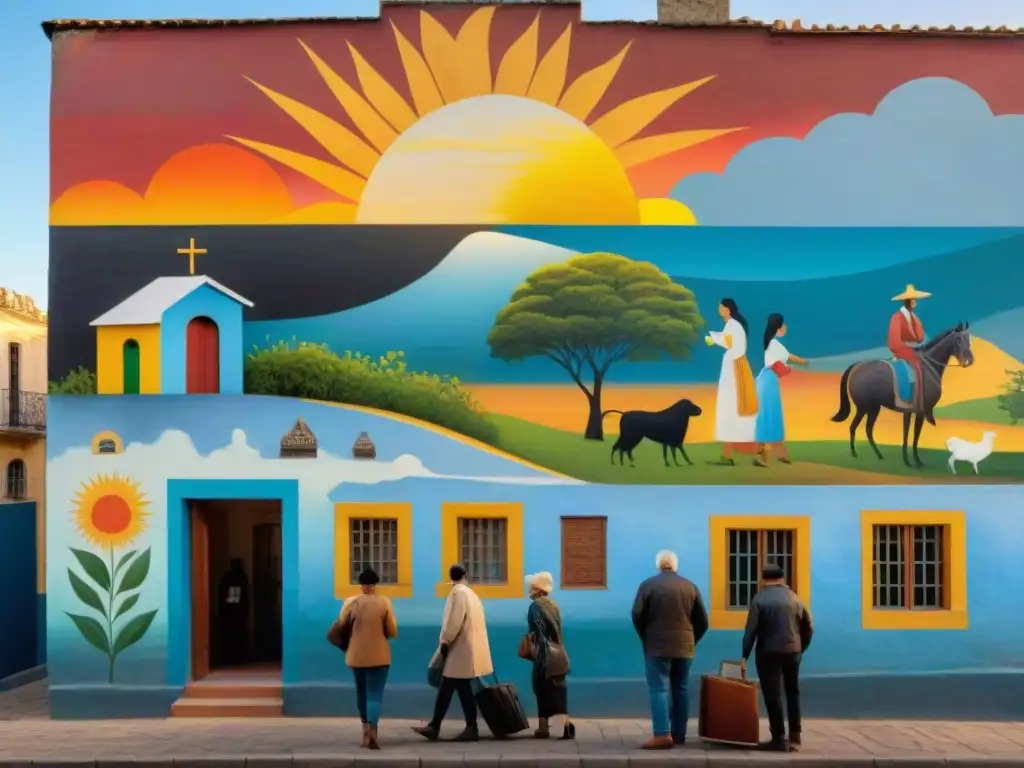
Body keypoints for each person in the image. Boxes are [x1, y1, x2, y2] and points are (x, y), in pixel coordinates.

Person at [631, 550, 709, 750]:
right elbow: (703, 621)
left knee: (658, 689)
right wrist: (693, 640)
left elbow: (637, 615)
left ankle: (662, 734)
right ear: (676, 566)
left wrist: (646, 638)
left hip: (656, 647)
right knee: (681, 689)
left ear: (659, 565)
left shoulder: (648, 585)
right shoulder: (690, 586)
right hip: (685, 648)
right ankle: (679, 735)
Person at [413, 564, 494, 742]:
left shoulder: (457, 593)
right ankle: (461, 727)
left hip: (459, 649)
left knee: (448, 687)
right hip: (467, 650)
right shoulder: (472, 594)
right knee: (459, 689)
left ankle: (439, 726)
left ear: (451, 579)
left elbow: (453, 621)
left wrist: (445, 641)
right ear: (465, 575)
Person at [741, 563, 814, 753]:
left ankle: (779, 738)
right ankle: (796, 735)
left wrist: (744, 655)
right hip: (793, 652)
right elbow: (809, 627)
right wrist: (800, 648)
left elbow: (751, 631)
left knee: (773, 695)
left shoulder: (759, 599)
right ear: (782, 579)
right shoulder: (795, 598)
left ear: (764, 579)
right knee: (792, 692)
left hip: (768, 653)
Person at [339, 568, 398, 750]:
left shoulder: (350, 602)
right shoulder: (384, 603)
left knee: (361, 692)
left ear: (360, 584)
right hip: (380, 656)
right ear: (375, 584)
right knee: (375, 695)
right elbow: (393, 631)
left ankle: (365, 733)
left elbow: (342, 624)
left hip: (357, 655)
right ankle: (374, 732)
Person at [705, 298, 759, 464]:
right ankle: (728, 454)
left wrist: (714, 339)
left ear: (728, 309)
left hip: (735, 370)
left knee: (733, 408)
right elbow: (727, 339)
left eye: (721, 307)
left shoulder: (734, 325)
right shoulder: (731, 325)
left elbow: (729, 342)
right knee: (730, 409)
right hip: (732, 368)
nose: (719, 309)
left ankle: (732, 454)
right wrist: (715, 338)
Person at [524, 571, 575, 740]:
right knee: (558, 690)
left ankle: (543, 728)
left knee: (542, 689)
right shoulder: (554, 605)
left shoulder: (535, 606)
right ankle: (565, 725)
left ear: (538, 590)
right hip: (559, 653)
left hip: (544, 655)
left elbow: (538, 631)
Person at [754, 313, 808, 467]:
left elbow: (785, 359)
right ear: (778, 328)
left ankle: (775, 454)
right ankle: (771, 455)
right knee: (770, 416)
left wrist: (800, 363)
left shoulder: (771, 344)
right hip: (769, 382)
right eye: (783, 325)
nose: (785, 327)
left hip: (766, 381)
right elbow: (785, 360)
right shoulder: (774, 345)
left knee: (767, 416)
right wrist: (801, 363)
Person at [887, 283, 932, 423]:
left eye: (915, 300)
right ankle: (910, 399)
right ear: (907, 302)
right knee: (915, 368)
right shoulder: (897, 317)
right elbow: (894, 340)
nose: (915, 303)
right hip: (902, 350)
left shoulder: (914, 318)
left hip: (915, 349)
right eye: (913, 300)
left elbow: (920, 337)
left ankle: (924, 399)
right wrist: (907, 350)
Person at [217, 558, 250, 667]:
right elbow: (238, 597)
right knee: (237, 636)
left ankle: (230, 658)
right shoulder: (239, 577)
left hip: (229, 614)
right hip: (236, 614)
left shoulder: (227, 577)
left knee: (230, 638)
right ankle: (237, 658)